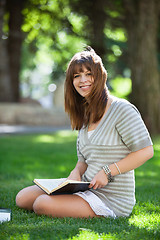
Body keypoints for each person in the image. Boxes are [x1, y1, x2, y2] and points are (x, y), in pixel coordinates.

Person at [16, 46, 153, 218]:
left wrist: (108, 171)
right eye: (76, 76)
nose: (83, 80)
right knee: (22, 198)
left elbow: (146, 151)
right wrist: (76, 173)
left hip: (111, 198)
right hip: (85, 186)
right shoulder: (85, 114)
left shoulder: (121, 109)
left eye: (89, 74)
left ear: (100, 76)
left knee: (41, 204)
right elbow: (84, 160)